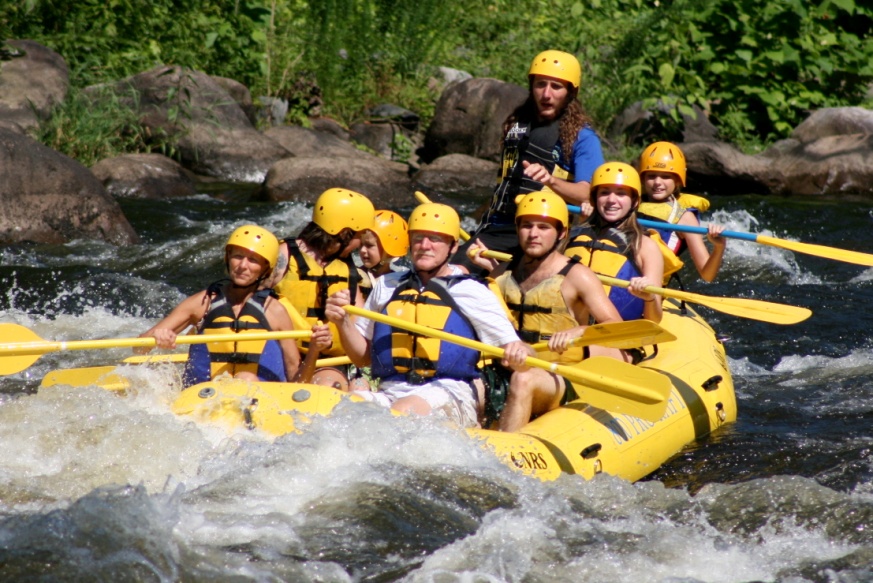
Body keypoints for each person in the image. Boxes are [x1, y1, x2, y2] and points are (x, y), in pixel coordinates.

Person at [320, 203, 531, 428]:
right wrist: (342, 323)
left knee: (404, 412)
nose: (424, 246)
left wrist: (519, 352)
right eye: (418, 238)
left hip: (450, 393)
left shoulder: (471, 291)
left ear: (452, 246)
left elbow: (519, 349)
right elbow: (362, 358)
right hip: (391, 391)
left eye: (435, 239)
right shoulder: (386, 286)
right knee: (342, 410)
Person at [468, 191, 634, 431]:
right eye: (527, 226)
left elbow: (618, 329)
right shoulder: (502, 273)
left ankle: (505, 456)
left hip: (562, 374)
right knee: (466, 382)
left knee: (523, 380)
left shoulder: (578, 277)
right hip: (509, 368)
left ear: (562, 233)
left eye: (543, 227)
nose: (533, 234)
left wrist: (580, 331)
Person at [455, 49, 605, 271]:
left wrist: (551, 181)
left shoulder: (583, 138)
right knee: (449, 276)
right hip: (495, 226)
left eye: (556, 87)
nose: (546, 94)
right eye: (540, 84)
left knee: (459, 276)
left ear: (571, 92)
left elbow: (589, 194)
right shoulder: (517, 124)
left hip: (541, 232)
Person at [136, 225, 321, 386]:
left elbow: (298, 381)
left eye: (253, 260)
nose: (243, 265)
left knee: (246, 378)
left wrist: (313, 350)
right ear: (228, 258)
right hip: (206, 400)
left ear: (266, 269)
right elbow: (138, 348)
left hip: (261, 401)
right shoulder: (202, 303)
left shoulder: (275, 311)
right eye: (238, 256)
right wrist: (157, 336)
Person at [268, 187, 376, 390]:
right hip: (282, 354)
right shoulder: (284, 256)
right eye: (359, 236)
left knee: (335, 385)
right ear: (344, 233)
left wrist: (343, 320)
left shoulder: (348, 270)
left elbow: (361, 326)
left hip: (327, 362)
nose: (360, 245)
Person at [564, 162, 664, 323]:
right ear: (594, 198)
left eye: (621, 194)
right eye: (604, 193)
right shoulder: (573, 236)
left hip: (614, 336)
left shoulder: (645, 246)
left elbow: (655, 319)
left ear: (635, 201)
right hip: (564, 331)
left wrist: (650, 297)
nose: (611, 200)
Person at [637, 141, 727, 282]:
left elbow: (707, 275)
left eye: (666, 176)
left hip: (650, 288)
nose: (657, 182)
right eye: (651, 176)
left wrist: (719, 247)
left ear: (678, 180)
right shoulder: (630, 204)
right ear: (642, 178)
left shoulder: (685, 217)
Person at [358, 209, 409, 299]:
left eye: (369, 245)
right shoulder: (354, 276)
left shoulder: (399, 284)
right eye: (361, 244)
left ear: (389, 252)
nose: (362, 250)